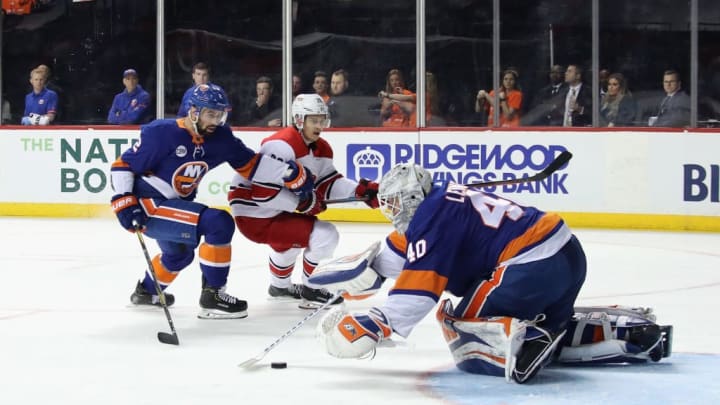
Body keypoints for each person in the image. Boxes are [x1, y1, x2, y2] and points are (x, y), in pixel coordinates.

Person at [314, 163, 672, 383]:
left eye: (393, 205)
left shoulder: (432, 218)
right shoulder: (442, 202)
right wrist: (365, 272)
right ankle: (629, 333)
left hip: (529, 266)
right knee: (550, 323)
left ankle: (527, 341)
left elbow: (419, 290)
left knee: (461, 324)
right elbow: (402, 254)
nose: (390, 212)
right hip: (565, 254)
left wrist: (374, 324)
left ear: (410, 200)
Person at [110, 83, 314, 319]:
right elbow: (123, 165)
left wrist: (289, 174)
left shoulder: (220, 138)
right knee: (218, 222)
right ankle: (213, 296)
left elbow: (251, 165)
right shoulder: (162, 133)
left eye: (219, 115)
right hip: (148, 205)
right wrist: (123, 201)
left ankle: (147, 292)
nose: (215, 121)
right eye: (210, 114)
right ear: (193, 111)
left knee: (179, 255)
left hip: (173, 206)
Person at [227, 93, 380, 309]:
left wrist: (360, 192)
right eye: (314, 120)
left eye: (322, 120)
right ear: (299, 120)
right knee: (325, 235)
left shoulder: (322, 148)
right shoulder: (281, 145)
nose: (320, 125)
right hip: (254, 214)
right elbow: (262, 193)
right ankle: (312, 288)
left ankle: (279, 287)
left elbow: (327, 184)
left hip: (274, 212)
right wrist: (303, 204)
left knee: (292, 240)